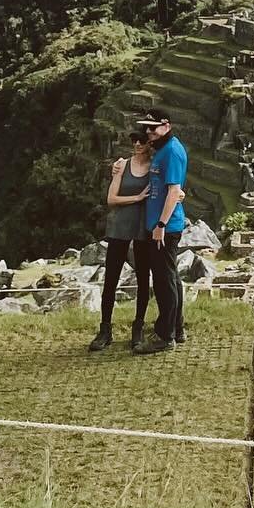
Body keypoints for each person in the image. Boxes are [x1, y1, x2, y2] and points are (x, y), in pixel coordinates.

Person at [89, 128, 154, 353]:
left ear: (149, 143)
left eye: (141, 140)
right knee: (111, 278)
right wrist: (137, 198)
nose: (137, 144)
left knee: (144, 278)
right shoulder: (122, 165)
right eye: (134, 140)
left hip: (142, 229)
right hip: (119, 228)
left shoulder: (154, 166)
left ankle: (139, 327)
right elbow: (111, 198)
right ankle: (105, 328)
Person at [137, 110, 188, 355]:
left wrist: (161, 226)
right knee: (171, 278)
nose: (148, 132)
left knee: (164, 281)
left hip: (164, 228)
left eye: (153, 128)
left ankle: (166, 335)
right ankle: (176, 328)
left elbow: (173, 191)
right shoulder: (163, 150)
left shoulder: (173, 152)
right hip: (159, 225)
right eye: (146, 128)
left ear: (166, 126)